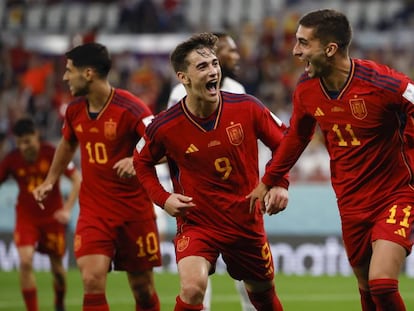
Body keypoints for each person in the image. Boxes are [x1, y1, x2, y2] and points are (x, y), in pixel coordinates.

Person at [248, 9, 414, 311]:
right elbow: (296, 138)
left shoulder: (381, 81)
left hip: (395, 195)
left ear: (330, 49)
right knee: (366, 287)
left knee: (382, 283)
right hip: (350, 201)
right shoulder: (306, 90)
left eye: (303, 43)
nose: (296, 51)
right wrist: (269, 180)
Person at [133, 32, 287, 311]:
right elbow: (140, 161)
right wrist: (163, 198)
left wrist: (279, 183)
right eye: (202, 66)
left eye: (214, 64)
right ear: (184, 77)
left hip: (244, 220)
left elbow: (284, 142)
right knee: (192, 290)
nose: (213, 70)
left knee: (263, 295)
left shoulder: (247, 107)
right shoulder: (164, 126)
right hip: (198, 222)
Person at [32, 42, 162, 311]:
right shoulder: (74, 111)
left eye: (69, 71)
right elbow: (67, 144)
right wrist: (50, 180)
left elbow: (162, 145)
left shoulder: (132, 108)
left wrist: (136, 160)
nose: (65, 77)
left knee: (143, 289)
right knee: (91, 280)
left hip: (133, 212)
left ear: (88, 73)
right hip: (94, 212)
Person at [165, 32, 254, 311]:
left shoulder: (238, 90)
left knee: (250, 277)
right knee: (197, 277)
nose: (235, 56)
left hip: (237, 196)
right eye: (230, 50)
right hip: (198, 200)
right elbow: (166, 141)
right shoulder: (180, 94)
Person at [0, 117, 81, 311]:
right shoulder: (11, 159)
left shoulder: (52, 153)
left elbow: (77, 179)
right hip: (27, 218)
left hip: (52, 219)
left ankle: (59, 302)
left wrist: (67, 209)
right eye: (19, 143)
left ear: (36, 136)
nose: (23, 147)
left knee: (58, 271)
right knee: (26, 261)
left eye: (27, 141)